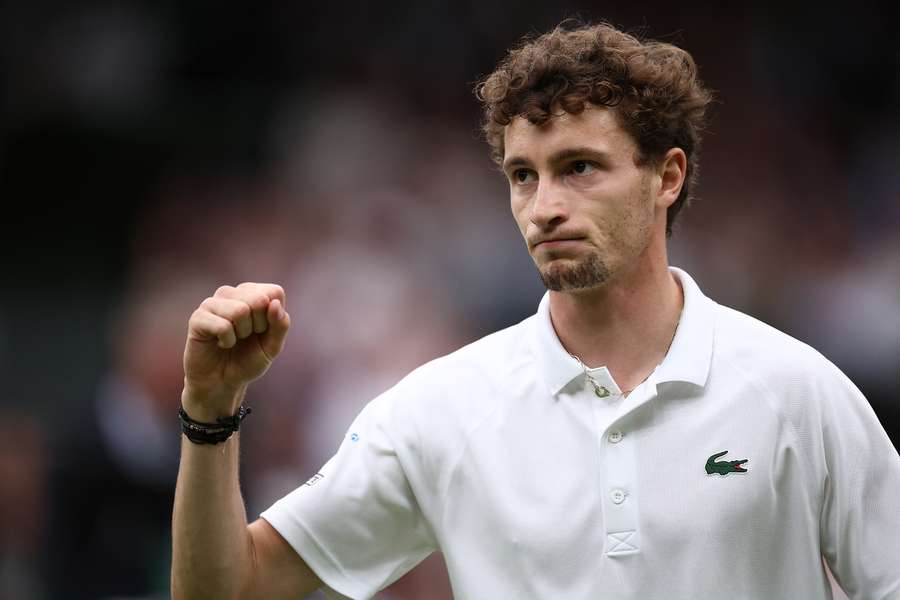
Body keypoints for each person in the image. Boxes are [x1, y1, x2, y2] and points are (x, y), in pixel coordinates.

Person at [171, 22, 900, 600]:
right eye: (524, 175)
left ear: (666, 177)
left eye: (579, 167)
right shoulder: (441, 409)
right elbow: (227, 589)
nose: (544, 207)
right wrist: (211, 410)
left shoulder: (799, 392)